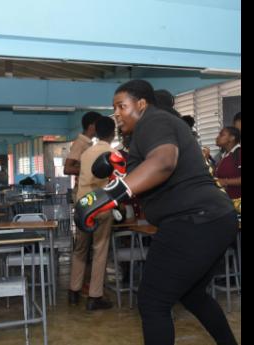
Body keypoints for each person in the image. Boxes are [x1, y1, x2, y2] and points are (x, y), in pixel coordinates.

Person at [75, 79, 238, 345]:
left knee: (152, 302)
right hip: (214, 219)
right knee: (193, 294)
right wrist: (124, 164)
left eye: (121, 106)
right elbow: (157, 170)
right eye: (113, 107)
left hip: (193, 221)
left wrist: (110, 194)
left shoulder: (153, 121)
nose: (116, 113)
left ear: (141, 104)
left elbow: (163, 162)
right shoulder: (153, 129)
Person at [68, 116, 116, 310]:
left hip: (83, 205)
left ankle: (73, 291)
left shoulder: (87, 153)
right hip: (101, 205)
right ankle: (95, 296)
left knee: (80, 249)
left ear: (96, 131)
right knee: (100, 249)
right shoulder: (113, 153)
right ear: (114, 133)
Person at [64, 111, 103, 296]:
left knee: (86, 246)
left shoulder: (89, 145)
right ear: (91, 126)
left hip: (90, 197)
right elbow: (67, 167)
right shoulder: (80, 143)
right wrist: (87, 168)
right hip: (83, 198)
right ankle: (79, 287)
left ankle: (80, 286)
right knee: (84, 246)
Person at [214, 126, 241, 200]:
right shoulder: (224, 155)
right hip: (225, 200)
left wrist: (225, 182)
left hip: (237, 203)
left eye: (221, 135)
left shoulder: (239, 153)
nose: (217, 137)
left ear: (232, 138)